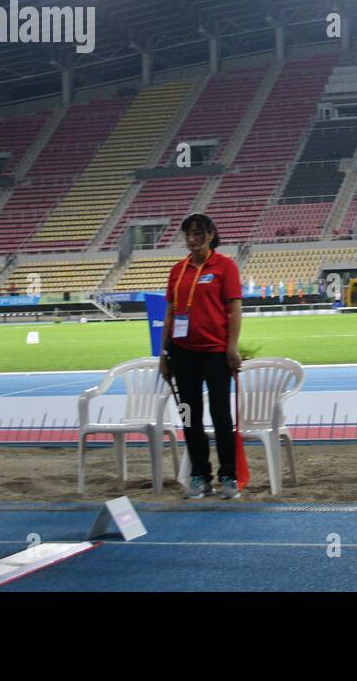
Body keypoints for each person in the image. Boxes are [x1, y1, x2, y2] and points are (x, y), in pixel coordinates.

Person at [158, 213, 243, 500]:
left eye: (197, 234)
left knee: (221, 416)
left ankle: (228, 476)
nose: (192, 240)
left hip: (216, 352)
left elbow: (234, 310)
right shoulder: (177, 270)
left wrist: (232, 348)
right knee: (190, 417)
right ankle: (199, 476)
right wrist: (163, 355)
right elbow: (170, 314)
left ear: (210, 235)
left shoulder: (225, 267)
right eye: (188, 235)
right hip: (182, 353)